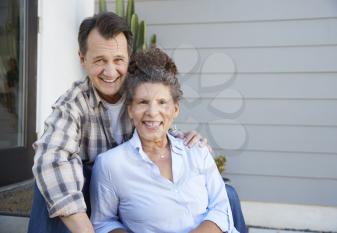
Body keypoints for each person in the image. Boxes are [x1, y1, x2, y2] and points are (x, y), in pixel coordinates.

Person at [27, 12, 208, 233]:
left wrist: (186, 141)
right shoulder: (72, 104)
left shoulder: (141, 93)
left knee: (227, 195)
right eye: (100, 60)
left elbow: (160, 129)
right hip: (90, 203)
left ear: (129, 59)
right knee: (51, 180)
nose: (111, 72)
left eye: (118, 60)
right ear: (83, 59)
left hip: (135, 194)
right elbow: (50, 156)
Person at [90, 48, 239, 233]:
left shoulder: (196, 150)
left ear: (175, 109)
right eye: (143, 102)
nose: (152, 112)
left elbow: (222, 209)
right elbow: (104, 223)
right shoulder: (111, 164)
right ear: (130, 110)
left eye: (162, 102)